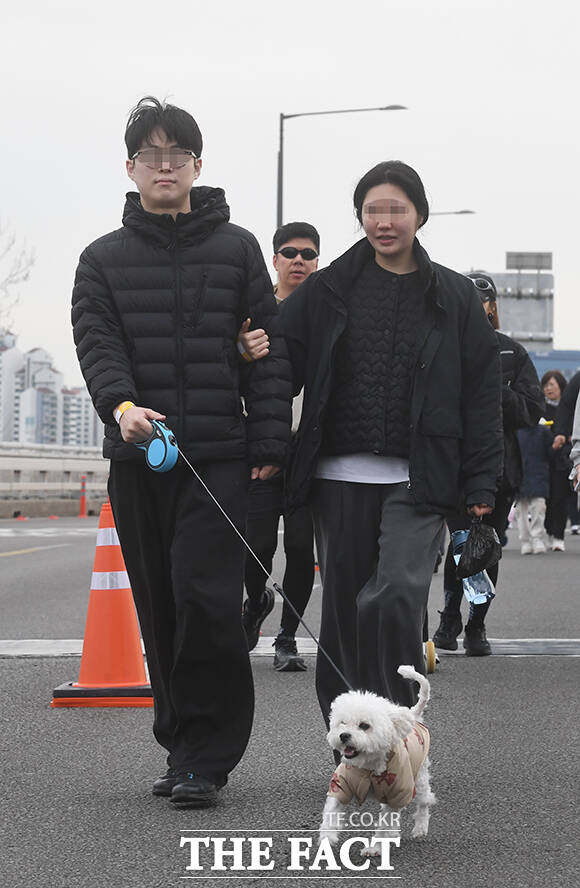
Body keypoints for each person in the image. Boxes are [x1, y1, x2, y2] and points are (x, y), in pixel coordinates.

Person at [71, 97, 291, 808]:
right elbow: (98, 346)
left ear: (197, 165)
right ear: (130, 167)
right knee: (160, 605)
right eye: (151, 155)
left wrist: (269, 442)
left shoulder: (237, 249)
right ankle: (180, 745)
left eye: (178, 155)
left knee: (205, 599)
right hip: (139, 457)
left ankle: (207, 756)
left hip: (218, 455)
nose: (164, 166)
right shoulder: (100, 259)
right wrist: (122, 409)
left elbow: (269, 352)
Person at [279, 160, 503, 722]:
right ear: (360, 216)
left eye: (395, 210)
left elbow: (482, 396)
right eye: (372, 210)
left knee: (398, 593)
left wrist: (481, 484)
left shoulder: (455, 296)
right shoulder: (327, 288)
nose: (383, 222)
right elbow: (279, 362)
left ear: (419, 215)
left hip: (420, 476)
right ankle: (349, 739)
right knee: (342, 616)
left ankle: (395, 725)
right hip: (337, 477)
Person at [433, 273, 544, 655]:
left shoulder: (512, 353)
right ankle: (449, 615)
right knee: (461, 542)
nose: (474, 305)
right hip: (453, 465)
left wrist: (492, 390)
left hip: (500, 467)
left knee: (486, 545)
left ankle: (476, 624)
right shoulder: (441, 346)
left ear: (492, 306)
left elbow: (533, 409)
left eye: (481, 299)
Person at [238, 222, 320, 671]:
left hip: (310, 455)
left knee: (303, 551)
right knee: (256, 548)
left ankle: (287, 638)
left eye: (308, 254)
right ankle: (255, 602)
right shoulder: (254, 313)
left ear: (317, 262)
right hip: (263, 452)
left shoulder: (327, 314)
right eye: (289, 252)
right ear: (274, 260)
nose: (298, 260)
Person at [542, 370, 574, 550]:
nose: (548, 389)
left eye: (551, 385)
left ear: (561, 386)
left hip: (563, 460)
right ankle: (548, 531)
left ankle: (558, 536)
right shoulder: (540, 409)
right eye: (545, 385)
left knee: (560, 498)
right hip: (544, 461)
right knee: (547, 499)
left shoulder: (570, 410)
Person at [514, 420, 553, 554]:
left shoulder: (544, 432)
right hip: (521, 474)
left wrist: (555, 447)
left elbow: (550, 454)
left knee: (538, 506)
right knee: (521, 510)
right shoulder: (516, 431)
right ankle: (526, 541)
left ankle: (536, 538)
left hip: (537, 473)